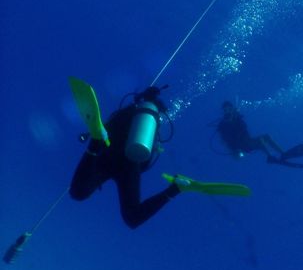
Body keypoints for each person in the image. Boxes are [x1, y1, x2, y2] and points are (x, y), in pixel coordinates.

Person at [69, 83, 250, 229]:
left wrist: (93, 136)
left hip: (108, 155)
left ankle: (95, 144)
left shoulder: (133, 109)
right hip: (132, 163)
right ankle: (175, 189)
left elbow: (114, 121)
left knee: (78, 193)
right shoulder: (150, 117)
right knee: (132, 218)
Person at [216, 100, 303, 168]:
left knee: (266, 136)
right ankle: (270, 157)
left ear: (232, 109)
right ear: (223, 111)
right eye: (226, 110)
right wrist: (234, 151)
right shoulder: (223, 124)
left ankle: (283, 154)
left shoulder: (238, 118)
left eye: (229, 109)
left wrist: (236, 117)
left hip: (247, 142)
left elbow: (245, 132)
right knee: (261, 141)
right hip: (240, 146)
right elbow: (225, 140)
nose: (228, 111)